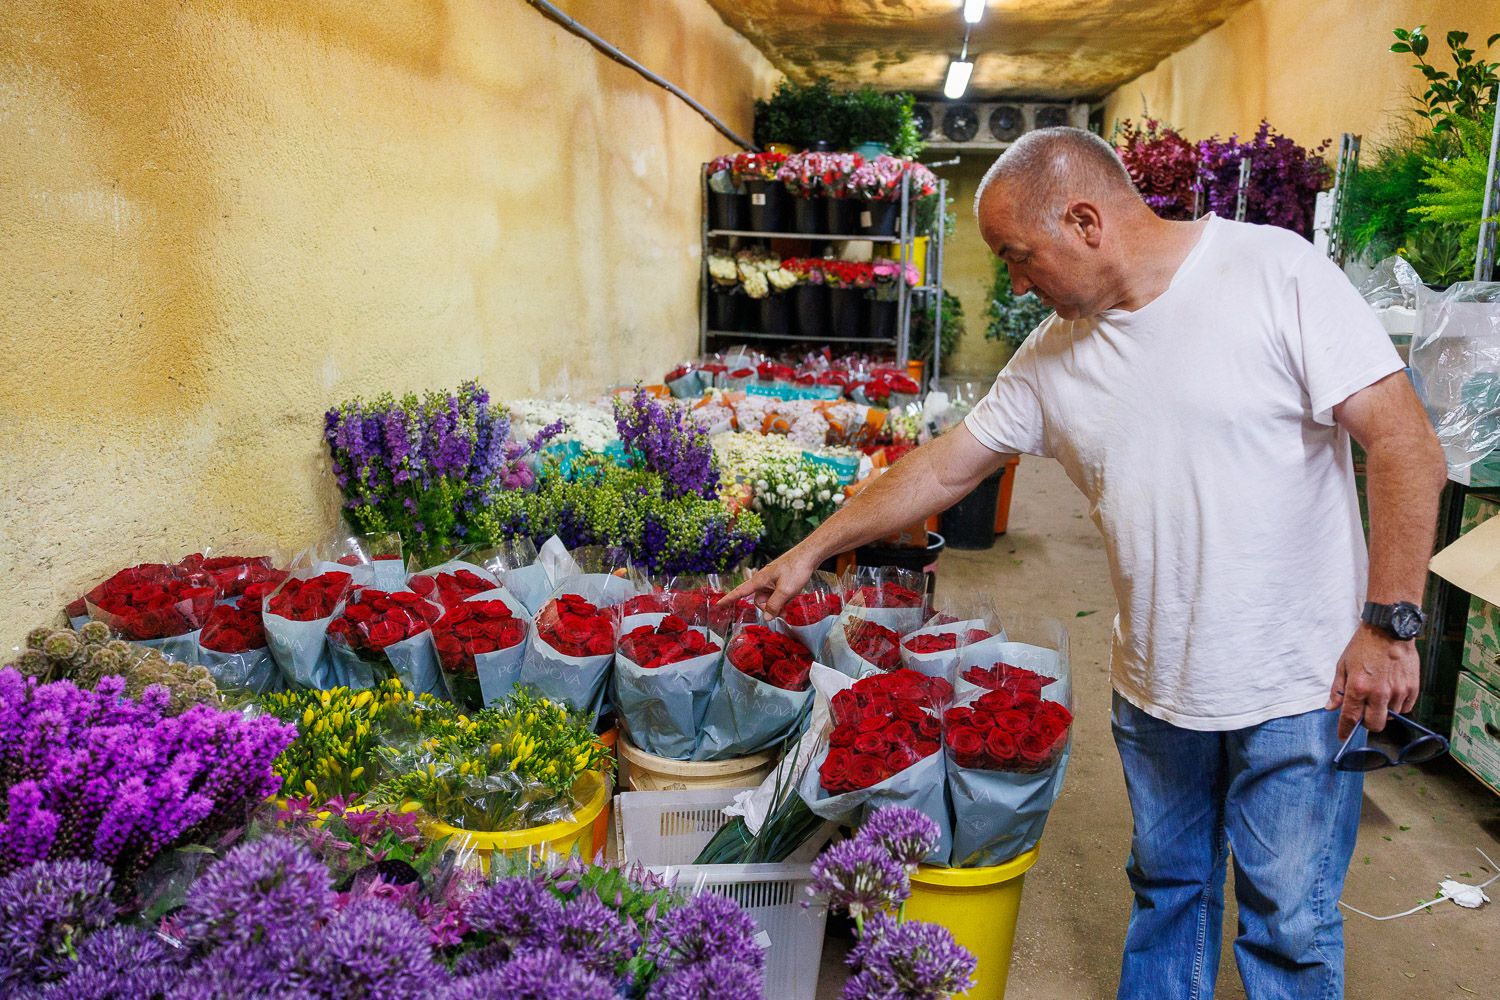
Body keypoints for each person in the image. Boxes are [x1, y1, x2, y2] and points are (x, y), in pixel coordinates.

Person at [723, 127, 1447, 998]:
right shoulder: (1052, 357)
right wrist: (809, 550)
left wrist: (1389, 627)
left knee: (1289, 922)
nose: (1019, 284)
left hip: (1300, 686)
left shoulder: (1274, 275)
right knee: (1167, 893)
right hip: (1156, 690)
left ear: (1085, 220)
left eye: (1020, 257)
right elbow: (944, 466)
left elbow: (1406, 446)